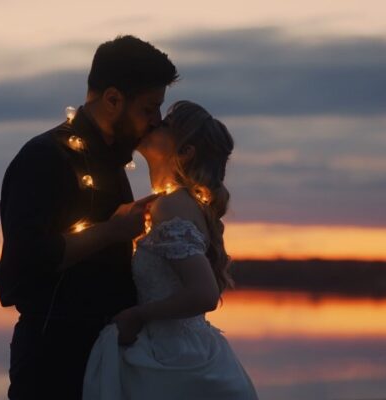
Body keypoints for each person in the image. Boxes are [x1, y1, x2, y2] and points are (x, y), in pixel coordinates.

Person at [0, 35, 179, 400]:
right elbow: (23, 265)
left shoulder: (114, 162)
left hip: (107, 356)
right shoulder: (44, 158)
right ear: (113, 99)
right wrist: (111, 231)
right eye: (149, 108)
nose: (157, 121)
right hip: (54, 360)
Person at [83, 101, 258, 399]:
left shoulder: (172, 205)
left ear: (185, 151)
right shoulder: (179, 203)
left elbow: (204, 294)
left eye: (164, 125)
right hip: (182, 350)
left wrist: (137, 315)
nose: (153, 123)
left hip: (172, 360)